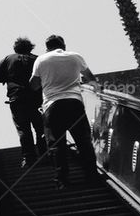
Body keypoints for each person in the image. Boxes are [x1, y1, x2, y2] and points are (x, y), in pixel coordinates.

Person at [30, 35, 100, 186]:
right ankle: (92, 176)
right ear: (64, 45)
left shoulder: (41, 60)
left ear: (47, 47)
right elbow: (90, 78)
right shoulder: (75, 56)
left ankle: (62, 180)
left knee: (56, 144)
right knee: (83, 141)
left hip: (52, 106)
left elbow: (34, 85)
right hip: (75, 103)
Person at [0, 37, 46, 168]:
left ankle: (29, 158)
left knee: (23, 129)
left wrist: (9, 78)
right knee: (41, 128)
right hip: (37, 99)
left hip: (17, 99)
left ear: (15, 48)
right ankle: (45, 155)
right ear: (30, 47)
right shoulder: (37, 59)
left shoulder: (8, 59)